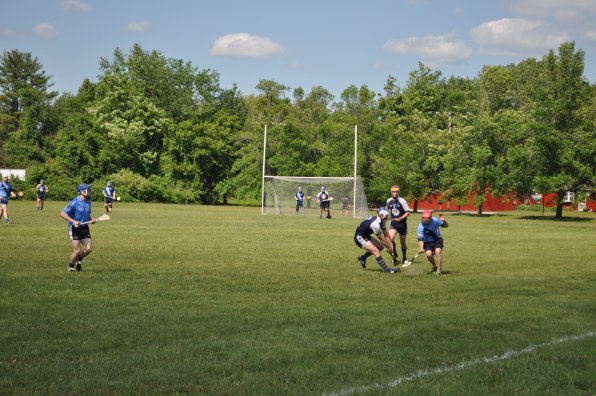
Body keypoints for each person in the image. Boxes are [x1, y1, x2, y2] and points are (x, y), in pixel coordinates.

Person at [60, 183, 97, 272]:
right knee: (77, 250)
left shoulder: (88, 202)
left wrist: (92, 219)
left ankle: (79, 258)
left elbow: (87, 215)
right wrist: (73, 221)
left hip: (84, 228)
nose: (90, 192)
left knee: (88, 249)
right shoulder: (74, 202)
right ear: (82, 192)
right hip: (74, 228)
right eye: (88, 191)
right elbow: (62, 213)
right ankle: (71, 266)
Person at [354, 207, 398, 273]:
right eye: (386, 215)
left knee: (380, 247)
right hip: (359, 237)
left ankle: (362, 257)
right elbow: (382, 239)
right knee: (376, 251)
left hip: (366, 235)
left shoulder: (381, 221)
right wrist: (389, 247)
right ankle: (387, 270)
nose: (387, 217)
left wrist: (391, 247)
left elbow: (386, 234)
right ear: (381, 215)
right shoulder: (375, 224)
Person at [386, 185, 412, 266]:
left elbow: (408, 212)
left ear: (399, 192)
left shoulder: (402, 201)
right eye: (393, 192)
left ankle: (404, 258)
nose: (395, 193)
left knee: (402, 242)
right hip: (393, 224)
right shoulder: (388, 200)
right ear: (391, 192)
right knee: (390, 239)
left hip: (402, 224)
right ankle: (395, 255)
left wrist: (400, 219)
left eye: (397, 192)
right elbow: (387, 210)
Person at [417, 210, 449, 275]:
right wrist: (421, 248)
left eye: (427, 219)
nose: (425, 221)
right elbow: (420, 239)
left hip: (437, 240)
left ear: (430, 218)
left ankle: (439, 271)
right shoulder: (420, 226)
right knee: (428, 254)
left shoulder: (435, 220)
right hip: (427, 242)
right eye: (424, 219)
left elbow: (446, 226)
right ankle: (434, 266)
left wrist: (444, 220)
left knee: (438, 252)